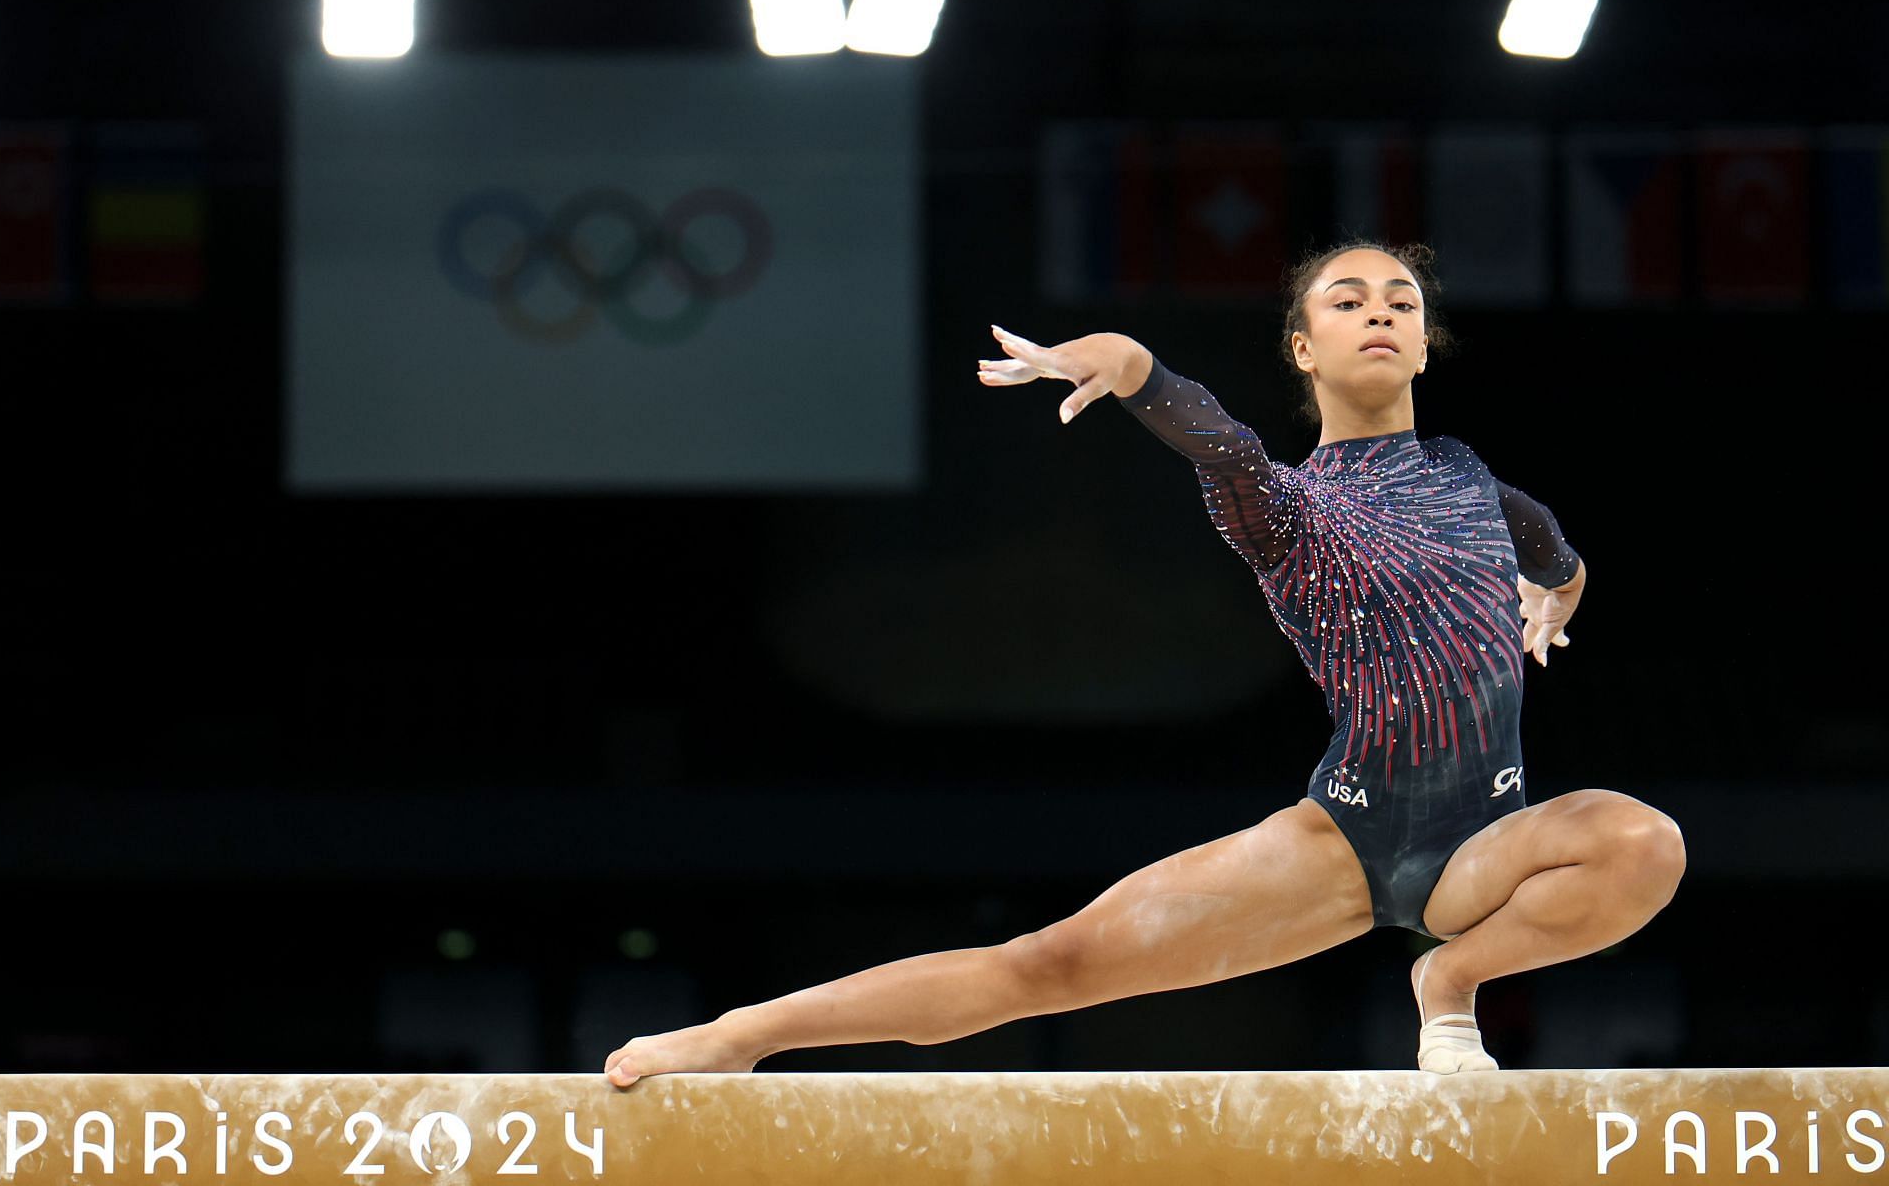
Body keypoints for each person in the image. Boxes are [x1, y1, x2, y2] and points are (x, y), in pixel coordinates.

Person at [603, 241, 1685, 1083]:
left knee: (1644, 843)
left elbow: (1544, 543)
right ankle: (742, 1034)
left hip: (1489, 843)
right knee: (1042, 968)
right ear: (1304, 348)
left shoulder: (1461, 473)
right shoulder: (1287, 509)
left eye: (1400, 300)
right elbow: (1217, 440)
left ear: (1424, 339)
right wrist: (1127, 363)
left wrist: (1560, 591)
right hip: (1347, 834)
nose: (1380, 313)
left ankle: (1447, 976)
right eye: (1347, 300)